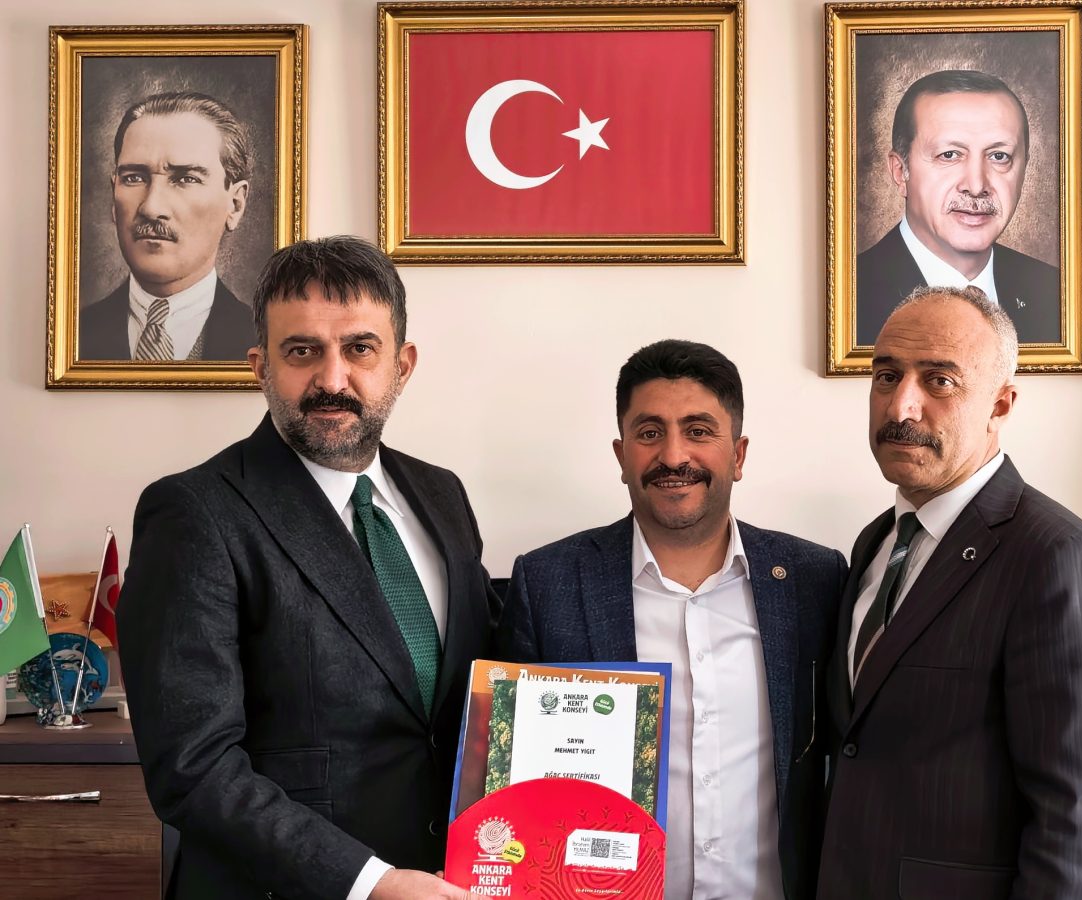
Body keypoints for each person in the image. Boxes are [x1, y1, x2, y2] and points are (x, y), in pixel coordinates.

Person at [118, 236, 495, 900]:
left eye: (360, 348)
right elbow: (193, 766)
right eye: (302, 351)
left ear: (402, 365)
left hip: (452, 881)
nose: (332, 379)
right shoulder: (193, 512)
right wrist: (371, 884)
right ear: (259, 366)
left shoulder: (444, 495)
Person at [818, 286, 1082, 899]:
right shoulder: (876, 543)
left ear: (1000, 404)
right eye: (886, 376)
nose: (901, 405)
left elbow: (1081, 831)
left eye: (939, 380)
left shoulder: (1058, 558)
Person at [498, 339, 847, 900]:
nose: (673, 455)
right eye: (649, 432)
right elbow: (512, 781)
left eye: (699, 430)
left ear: (738, 455)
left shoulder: (814, 579)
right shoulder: (547, 583)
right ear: (621, 456)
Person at [856, 70, 1061, 346]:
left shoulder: (1056, 293)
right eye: (949, 155)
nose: (976, 186)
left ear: (1024, 170)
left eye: (999, 156)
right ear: (900, 172)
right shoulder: (851, 296)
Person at [80, 91, 257, 361]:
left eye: (186, 179)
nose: (151, 208)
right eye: (134, 178)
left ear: (234, 205)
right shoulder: (71, 339)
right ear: (113, 197)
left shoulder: (266, 341)